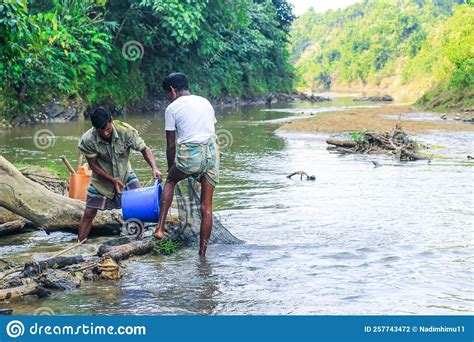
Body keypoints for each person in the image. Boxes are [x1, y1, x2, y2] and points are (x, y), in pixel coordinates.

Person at [154, 73, 219, 257]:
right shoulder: (205, 102)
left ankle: (159, 228)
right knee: (206, 209)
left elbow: (170, 144)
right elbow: (207, 130)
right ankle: (202, 254)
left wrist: (170, 168)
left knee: (170, 181)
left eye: (168, 93)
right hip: (212, 154)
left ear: (173, 90)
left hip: (191, 154)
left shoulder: (172, 108)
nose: (168, 97)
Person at [77, 107, 162, 242]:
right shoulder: (88, 140)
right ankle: (79, 244)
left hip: (125, 174)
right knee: (89, 213)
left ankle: (138, 242)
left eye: (108, 129)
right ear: (94, 128)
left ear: (111, 121)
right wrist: (112, 180)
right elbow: (93, 165)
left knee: (138, 207)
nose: (105, 133)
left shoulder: (126, 132)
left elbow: (144, 149)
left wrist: (154, 168)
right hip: (101, 181)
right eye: (101, 131)